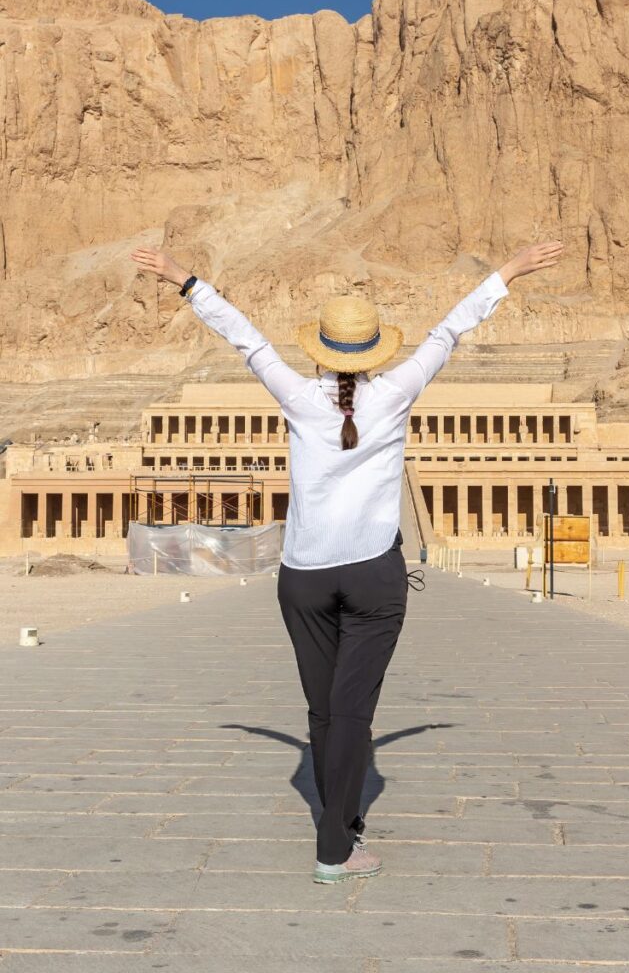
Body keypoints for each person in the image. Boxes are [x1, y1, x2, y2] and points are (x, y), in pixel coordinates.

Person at [131, 238, 564, 883]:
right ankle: (336, 845)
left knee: (322, 711)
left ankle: (339, 819)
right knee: (353, 709)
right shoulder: (395, 393)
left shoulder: (299, 398)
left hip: (303, 576)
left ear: (322, 349)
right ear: (373, 353)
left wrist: (185, 281)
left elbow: (245, 338)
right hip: (373, 575)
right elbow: (450, 329)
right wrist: (508, 272)